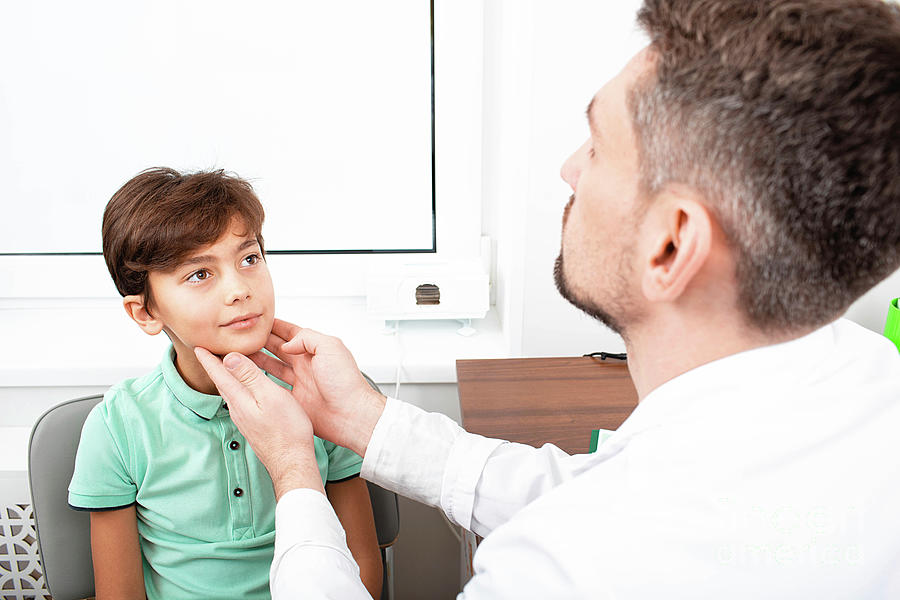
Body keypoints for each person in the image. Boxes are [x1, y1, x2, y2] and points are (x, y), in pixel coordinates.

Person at [197, 0, 900, 597]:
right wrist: (368, 422)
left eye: (595, 145)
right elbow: (596, 488)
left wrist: (294, 473)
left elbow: (602, 521)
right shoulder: (869, 377)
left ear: (670, 244)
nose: (568, 168)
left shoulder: (561, 571)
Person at [67, 168, 382, 599]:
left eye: (249, 259)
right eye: (200, 274)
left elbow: (363, 567)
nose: (239, 289)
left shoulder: (322, 392)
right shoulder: (119, 426)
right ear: (145, 313)